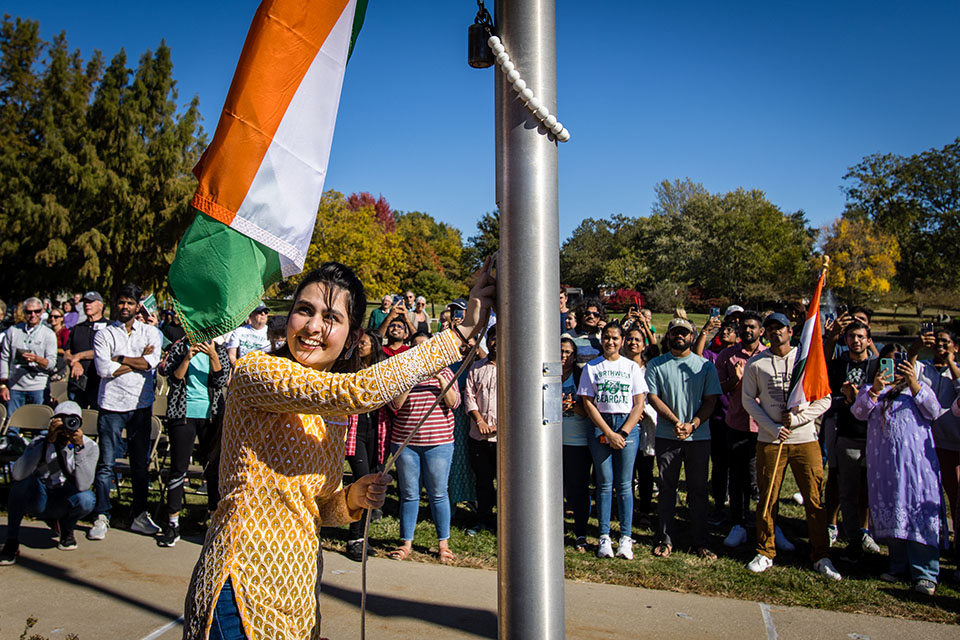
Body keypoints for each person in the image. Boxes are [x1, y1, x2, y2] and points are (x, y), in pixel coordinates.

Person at [181, 260, 494, 640]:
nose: (313, 327)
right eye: (304, 310)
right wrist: (457, 334)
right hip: (238, 590)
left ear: (351, 335)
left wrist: (351, 498)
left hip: (296, 597)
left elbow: (316, 508)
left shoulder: (329, 408)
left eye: (331, 317)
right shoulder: (256, 372)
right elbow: (356, 391)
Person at [741, 312, 840, 580]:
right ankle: (765, 550)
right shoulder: (756, 364)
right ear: (765, 333)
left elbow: (825, 399)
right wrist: (772, 427)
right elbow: (748, 400)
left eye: (780, 328)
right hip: (770, 440)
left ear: (790, 331)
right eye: (770, 329)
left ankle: (821, 555)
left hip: (805, 439)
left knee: (814, 498)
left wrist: (797, 420)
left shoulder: (807, 361)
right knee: (767, 497)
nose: (776, 333)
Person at [852, 345, 942, 596]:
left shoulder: (918, 389)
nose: (894, 368)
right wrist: (876, 390)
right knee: (894, 511)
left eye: (898, 362)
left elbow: (934, 411)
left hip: (916, 467)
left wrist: (913, 383)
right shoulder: (873, 390)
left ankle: (925, 572)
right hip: (886, 468)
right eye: (887, 362)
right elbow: (859, 412)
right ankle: (898, 565)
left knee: (917, 513)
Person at [87, 284, 164, 541]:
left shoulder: (151, 333)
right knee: (106, 463)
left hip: (140, 406)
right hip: (111, 405)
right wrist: (135, 363)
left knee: (139, 465)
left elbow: (150, 364)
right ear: (115, 304)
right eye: (121, 302)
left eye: (130, 303)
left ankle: (139, 515)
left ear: (137, 305)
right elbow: (102, 369)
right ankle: (102, 514)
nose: (125, 307)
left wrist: (119, 359)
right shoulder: (104, 334)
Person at [645, 318, 721, 560]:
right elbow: (653, 398)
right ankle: (665, 538)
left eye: (684, 333)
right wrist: (676, 422)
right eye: (675, 332)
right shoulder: (656, 364)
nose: (679, 336)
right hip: (668, 435)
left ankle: (700, 541)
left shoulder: (705, 366)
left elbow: (711, 400)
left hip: (699, 437)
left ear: (693, 336)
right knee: (667, 488)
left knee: (698, 490)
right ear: (668, 336)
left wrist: (693, 424)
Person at [578, 323, 648, 560]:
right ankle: (604, 536)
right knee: (605, 483)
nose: (610, 342)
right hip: (601, 425)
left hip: (627, 425)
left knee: (625, 485)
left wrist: (624, 433)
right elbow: (588, 403)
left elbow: (639, 403)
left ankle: (626, 537)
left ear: (622, 340)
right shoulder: (592, 367)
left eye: (615, 338)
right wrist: (608, 432)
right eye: (606, 338)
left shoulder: (631, 367)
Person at [0, 401, 99, 565]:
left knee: (87, 498)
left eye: (71, 421)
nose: (66, 426)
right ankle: (11, 540)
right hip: (40, 497)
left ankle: (67, 528)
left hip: (66, 497)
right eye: (61, 420)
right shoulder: (40, 441)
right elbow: (18, 474)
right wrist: (47, 443)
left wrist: (79, 448)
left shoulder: (89, 446)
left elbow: (83, 486)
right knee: (21, 484)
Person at [155, 338, 231, 547]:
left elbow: (220, 379)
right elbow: (175, 378)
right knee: (178, 468)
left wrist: (213, 355)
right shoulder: (179, 348)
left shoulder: (219, 350)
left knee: (212, 468)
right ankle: (173, 523)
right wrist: (187, 357)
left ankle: (213, 522)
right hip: (183, 414)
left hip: (211, 415)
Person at [388, 361, 461, 563]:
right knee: (409, 493)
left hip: (439, 443)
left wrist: (439, 377)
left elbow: (454, 403)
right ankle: (406, 543)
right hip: (405, 444)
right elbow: (395, 405)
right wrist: (411, 379)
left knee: (438, 493)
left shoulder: (446, 372)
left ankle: (443, 544)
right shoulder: (403, 373)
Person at [825, 321, 881, 560]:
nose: (855, 341)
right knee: (846, 489)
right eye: (851, 337)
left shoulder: (879, 367)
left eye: (860, 336)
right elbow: (827, 397)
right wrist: (847, 400)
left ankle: (867, 530)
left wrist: (862, 398)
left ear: (869, 340)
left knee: (869, 489)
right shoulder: (838, 366)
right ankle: (853, 538)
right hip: (846, 433)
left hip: (875, 438)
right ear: (845, 339)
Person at [716, 311, 767, 549]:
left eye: (753, 327)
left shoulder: (769, 356)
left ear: (761, 331)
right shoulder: (727, 356)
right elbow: (718, 388)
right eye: (745, 327)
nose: (748, 331)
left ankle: (765, 523)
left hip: (764, 425)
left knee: (760, 477)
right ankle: (737, 522)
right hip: (736, 423)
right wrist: (734, 381)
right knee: (737, 476)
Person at [909, 328, 960, 565]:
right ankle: (932, 539)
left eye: (946, 342)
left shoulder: (957, 371)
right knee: (927, 494)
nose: (940, 345)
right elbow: (908, 376)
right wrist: (916, 349)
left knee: (956, 495)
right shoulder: (924, 367)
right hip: (926, 441)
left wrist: (951, 363)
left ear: (955, 346)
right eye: (937, 341)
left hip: (953, 443)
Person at [342, 329, 392, 561]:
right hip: (355, 431)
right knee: (362, 481)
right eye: (359, 342)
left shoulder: (381, 369)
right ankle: (353, 539)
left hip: (378, 430)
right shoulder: (349, 368)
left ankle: (362, 537)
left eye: (365, 342)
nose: (361, 346)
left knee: (373, 479)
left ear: (374, 345)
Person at [0, 297, 58, 430]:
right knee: (13, 424)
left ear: (42, 311)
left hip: (38, 385)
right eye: (29, 312)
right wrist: (3, 384)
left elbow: (51, 363)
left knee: (40, 425)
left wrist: (37, 359)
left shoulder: (48, 334)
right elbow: (4, 357)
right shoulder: (13, 331)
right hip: (16, 385)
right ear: (24, 312)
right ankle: (13, 446)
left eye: (37, 311)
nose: (33, 315)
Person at [623, 327, 658, 527]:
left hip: (645, 426)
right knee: (626, 472)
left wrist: (643, 411)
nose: (633, 343)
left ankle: (644, 509)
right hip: (624, 423)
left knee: (645, 470)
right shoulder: (619, 365)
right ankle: (626, 507)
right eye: (629, 339)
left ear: (643, 345)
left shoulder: (649, 369)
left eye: (637, 340)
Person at [465, 324, 498, 536]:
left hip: (504, 438)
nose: (496, 342)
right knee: (483, 480)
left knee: (505, 483)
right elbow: (469, 396)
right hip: (478, 435)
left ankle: (503, 520)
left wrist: (498, 426)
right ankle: (483, 518)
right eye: (493, 338)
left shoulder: (515, 368)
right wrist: (479, 421)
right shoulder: (476, 368)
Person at [560, 337, 592, 550]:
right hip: (551, 443)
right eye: (561, 351)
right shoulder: (546, 374)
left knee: (578, 489)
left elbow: (589, 411)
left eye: (568, 352)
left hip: (578, 442)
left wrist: (572, 406)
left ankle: (580, 532)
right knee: (555, 490)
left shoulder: (582, 376)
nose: (564, 356)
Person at [63, 292, 108, 409]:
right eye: (85, 302)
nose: (87, 305)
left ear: (101, 305)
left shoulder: (110, 327)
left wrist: (79, 356)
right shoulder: (77, 328)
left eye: (91, 302)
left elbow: (106, 351)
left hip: (99, 383)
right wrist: (74, 362)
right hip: (77, 384)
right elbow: (66, 353)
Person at [571, 298, 605, 366]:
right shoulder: (569, 337)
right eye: (587, 313)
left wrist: (606, 331)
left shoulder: (604, 336)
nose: (591, 316)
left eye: (595, 314)